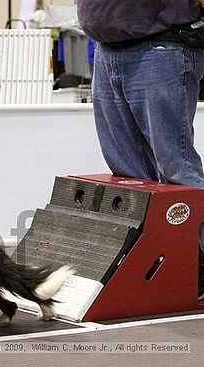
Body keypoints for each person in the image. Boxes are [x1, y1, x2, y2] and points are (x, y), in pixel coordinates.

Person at [76, 0, 204, 300]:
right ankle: (161, 261)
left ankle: (196, 260)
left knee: (176, 168)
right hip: (108, 47)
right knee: (129, 176)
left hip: (161, 45)